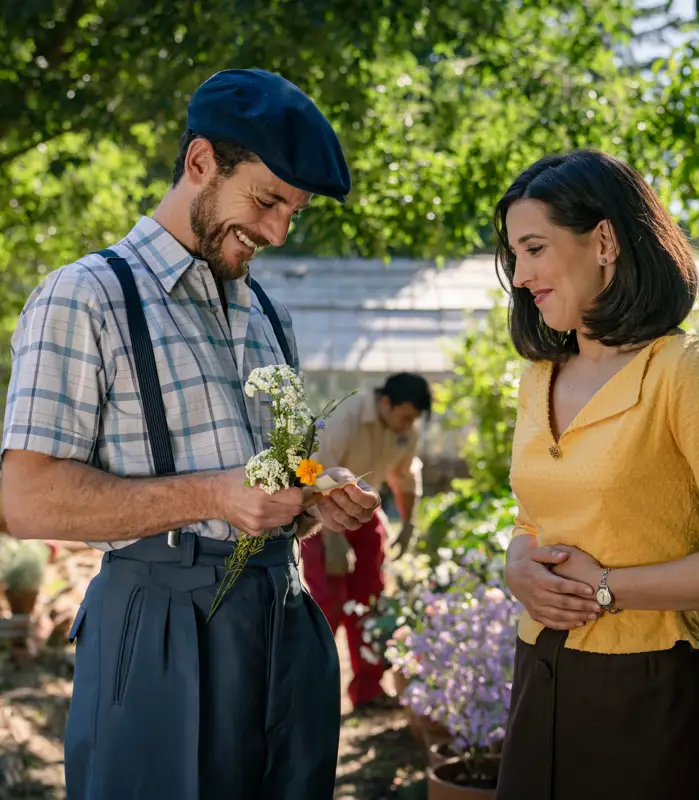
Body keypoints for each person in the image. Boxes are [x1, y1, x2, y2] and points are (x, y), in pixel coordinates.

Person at [1, 69, 382, 800]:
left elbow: (270, 480)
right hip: (160, 629)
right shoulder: (86, 296)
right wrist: (214, 494)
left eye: (292, 213)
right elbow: (25, 500)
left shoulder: (269, 312)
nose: (275, 231)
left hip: (286, 622)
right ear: (201, 161)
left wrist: (313, 498)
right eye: (267, 200)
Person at [493, 150, 699, 800]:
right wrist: (517, 565)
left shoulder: (686, 371)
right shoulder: (538, 376)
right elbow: (535, 517)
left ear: (603, 241)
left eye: (535, 248)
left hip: (649, 687)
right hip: (540, 671)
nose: (520, 276)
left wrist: (607, 589)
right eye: (515, 255)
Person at [301, 372, 431, 710]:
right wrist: (332, 537)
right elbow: (315, 475)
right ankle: (310, 696)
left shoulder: (406, 430)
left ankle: (367, 692)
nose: (408, 425)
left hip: (365, 514)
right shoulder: (345, 417)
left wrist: (408, 523)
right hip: (322, 513)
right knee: (327, 602)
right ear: (385, 403)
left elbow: (403, 477)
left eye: (413, 420)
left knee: (369, 600)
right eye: (404, 417)